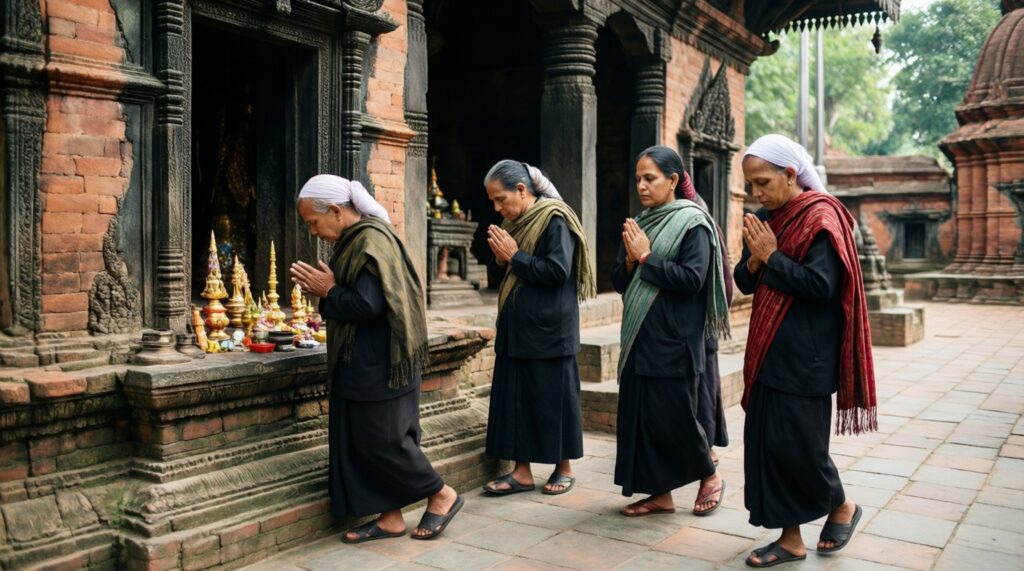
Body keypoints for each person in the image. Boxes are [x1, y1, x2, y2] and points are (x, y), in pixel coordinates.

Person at [289, 174, 463, 543]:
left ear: (336, 211)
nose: (313, 232)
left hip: (381, 363)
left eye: (313, 222)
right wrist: (331, 291)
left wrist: (329, 290)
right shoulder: (357, 240)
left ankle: (440, 493)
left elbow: (369, 304)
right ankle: (389, 517)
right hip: (366, 361)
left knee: (384, 443)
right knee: (363, 441)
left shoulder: (370, 240)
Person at [735, 134, 876, 567]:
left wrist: (772, 258)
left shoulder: (821, 217)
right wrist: (758, 260)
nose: (757, 193)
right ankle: (792, 538)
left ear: (790, 174)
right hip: (768, 352)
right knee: (770, 447)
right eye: (751, 185)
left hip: (807, 356)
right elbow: (743, 281)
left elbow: (821, 287)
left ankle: (842, 506)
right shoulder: (765, 218)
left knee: (802, 450)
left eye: (763, 182)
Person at [612, 146, 731, 518]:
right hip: (640, 337)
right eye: (638, 179)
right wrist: (632, 260)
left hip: (675, 340)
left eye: (651, 179)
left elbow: (693, 279)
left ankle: (710, 476)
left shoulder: (693, 223)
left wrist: (648, 258)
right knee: (644, 420)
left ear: (674, 180)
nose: (642, 187)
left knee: (675, 418)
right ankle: (660, 494)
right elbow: (618, 281)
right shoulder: (640, 223)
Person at [480, 160, 596, 496]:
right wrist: (501, 260)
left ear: (521, 189)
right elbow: (500, 273)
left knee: (553, 400)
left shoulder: (554, 219)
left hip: (550, 329)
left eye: (501, 199)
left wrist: (514, 256)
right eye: (493, 202)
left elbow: (557, 271)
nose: (498, 207)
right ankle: (522, 472)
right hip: (517, 328)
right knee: (517, 398)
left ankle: (564, 467)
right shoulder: (511, 223)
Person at [676, 173, 735, 466]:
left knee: (704, 390)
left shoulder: (702, 225)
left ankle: (707, 449)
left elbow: (724, 280)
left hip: (701, 321)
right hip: (684, 322)